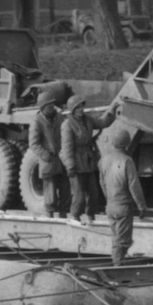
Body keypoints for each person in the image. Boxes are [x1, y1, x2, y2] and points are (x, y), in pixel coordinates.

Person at [98, 118, 147, 265]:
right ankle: (117, 267)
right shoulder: (127, 161)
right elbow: (134, 186)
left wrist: (109, 199)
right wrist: (141, 206)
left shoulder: (103, 160)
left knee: (116, 239)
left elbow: (102, 182)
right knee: (122, 242)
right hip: (124, 206)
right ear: (127, 143)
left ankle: (118, 263)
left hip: (111, 205)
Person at [58, 96, 110, 222]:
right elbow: (67, 148)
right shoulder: (67, 125)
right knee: (79, 196)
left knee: (93, 194)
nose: (81, 109)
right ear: (72, 109)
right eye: (78, 107)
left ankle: (91, 216)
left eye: (82, 106)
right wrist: (70, 166)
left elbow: (103, 123)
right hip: (75, 164)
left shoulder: (88, 120)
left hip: (88, 162)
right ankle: (75, 216)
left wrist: (112, 112)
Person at [27, 81, 71, 216]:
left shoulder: (60, 118)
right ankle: (50, 218)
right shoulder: (37, 122)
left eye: (53, 104)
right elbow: (34, 144)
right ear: (42, 108)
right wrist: (46, 156)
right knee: (50, 196)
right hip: (49, 161)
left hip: (62, 160)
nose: (52, 107)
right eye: (49, 105)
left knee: (65, 192)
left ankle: (63, 216)